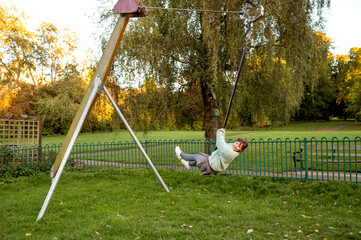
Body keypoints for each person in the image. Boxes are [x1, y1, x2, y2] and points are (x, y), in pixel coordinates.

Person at [175, 128, 248, 176]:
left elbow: (220, 143)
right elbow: (230, 145)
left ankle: (181, 154)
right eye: (237, 143)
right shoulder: (234, 151)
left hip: (210, 165)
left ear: (241, 150)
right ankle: (188, 164)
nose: (236, 145)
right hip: (213, 164)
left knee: (196, 157)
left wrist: (221, 131)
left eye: (239, 146)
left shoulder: (229, 152)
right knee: (202, 158)